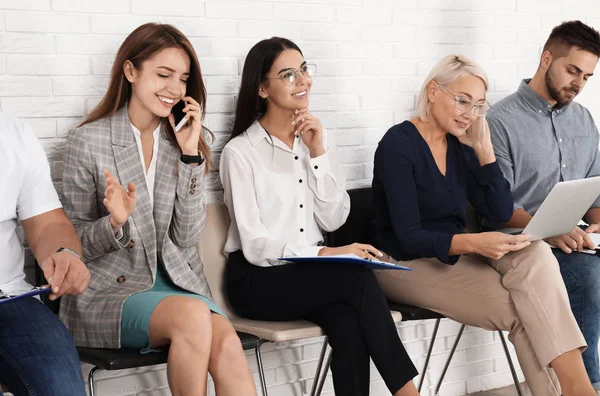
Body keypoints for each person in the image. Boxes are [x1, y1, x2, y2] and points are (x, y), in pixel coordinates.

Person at [372, 54, 596, 396]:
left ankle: (575, 387)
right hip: (400, 263)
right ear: (433, 91)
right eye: (462, 101)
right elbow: (408, 237)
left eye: (478, 105)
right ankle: (578, 390)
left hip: (453, 253)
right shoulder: (397, 145)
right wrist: (475, 243)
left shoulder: (460, 143)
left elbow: (500, 209)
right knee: (530, 309)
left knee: (534, 252)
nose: (469, 113)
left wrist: (484, 148)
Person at [60, 23, 256, 396]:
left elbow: (185, 237)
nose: (174, 89)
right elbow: (70, 245)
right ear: (130, 72)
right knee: (194, 316)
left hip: (177, 283)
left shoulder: (179, 141)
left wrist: (189, 157)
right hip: (110, 292)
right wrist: (115, 223)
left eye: (182, 79)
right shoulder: (88, 141)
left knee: (228, 344)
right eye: (163, 74)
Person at [219, 37, 419, 396]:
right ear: (262, 88)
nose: (304, 81)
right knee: (356, 281)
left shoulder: (318, 138)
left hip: (307, 274)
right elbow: (254, 244)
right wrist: (328, 254)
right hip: (255, 280)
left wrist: (317, 154)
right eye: (288, 74)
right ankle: (409, 392)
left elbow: (333, 220)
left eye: (305, 70)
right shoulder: (240, 153)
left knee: (348, 324)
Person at [486, 20, 600, 393]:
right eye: (572, 71)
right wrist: (548, 230)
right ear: (546, 58)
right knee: (585, 276)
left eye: (587, 76)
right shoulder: (499, 121)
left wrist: (597, 226)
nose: (578, 84)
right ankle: (586, 387)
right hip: (519, 241)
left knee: (587, 262)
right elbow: (497, 207)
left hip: (574, 238)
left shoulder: (584, 119)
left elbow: (595, 195)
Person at [0, 114, 89, 395]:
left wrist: (65, 253)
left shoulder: (12, 132)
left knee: (60, 386)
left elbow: (48, 223)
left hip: (10, 298)